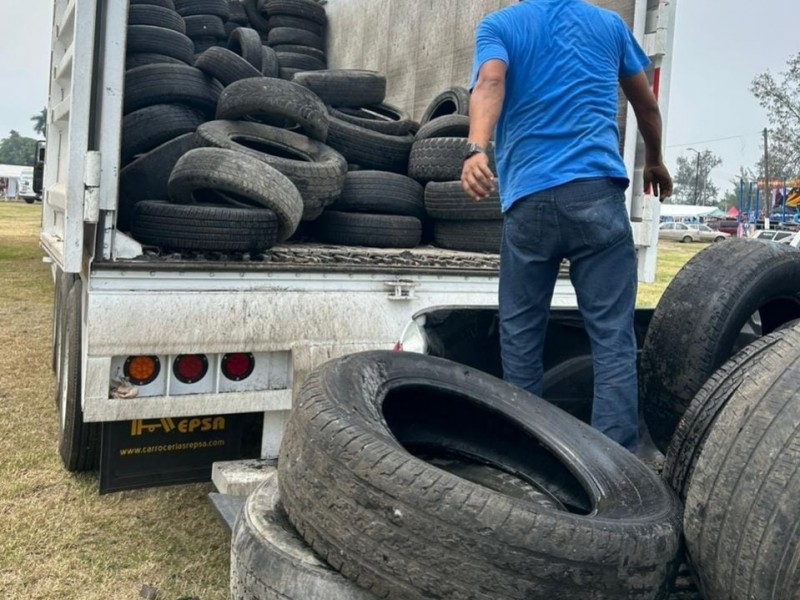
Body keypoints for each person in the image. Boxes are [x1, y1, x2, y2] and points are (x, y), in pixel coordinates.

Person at [461, 0, 673, 452]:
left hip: (530, 199)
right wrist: (653, 160)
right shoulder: (609, 26)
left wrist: (476, 148)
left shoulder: (501, 25)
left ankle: (526, 457)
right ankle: (617, 470)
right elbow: (647, 106)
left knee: (520, 337)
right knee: (612, 339)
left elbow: (490, 82)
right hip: (597, 195)